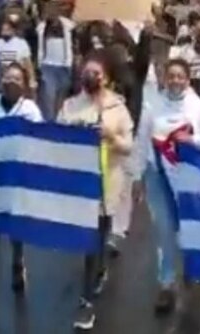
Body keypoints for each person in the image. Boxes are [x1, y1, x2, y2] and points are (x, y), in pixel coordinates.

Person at [132, 58, 200, 316]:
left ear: (187, 79)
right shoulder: (153, 107)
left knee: (188, 228)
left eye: (179, 76)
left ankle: (192, 268)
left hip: (188, 179)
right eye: (170, 76)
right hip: (158, 176)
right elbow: (141, 142)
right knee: (164, 230)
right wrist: (137, 177)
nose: (174, 80)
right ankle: (166, 283)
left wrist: (192, 139)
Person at [57, 53, 135, 331]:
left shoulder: (118, 108)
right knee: (86, 241)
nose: (91, 78)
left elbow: (129, 146)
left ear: (107, 78)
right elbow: (57, 139)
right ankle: (91, 282)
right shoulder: (70, 106)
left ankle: (87, 297)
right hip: (79, 187)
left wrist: (111, 137)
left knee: (97, 240)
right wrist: (73, 130)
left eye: (97, 74)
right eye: (86, 73)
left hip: (107, 185)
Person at [0, 63, 41, 334]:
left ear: (24, 84)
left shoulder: (30, 110)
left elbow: (39, 139)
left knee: (15, 226)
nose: (11, 81)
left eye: (17, 78)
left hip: (17, 177)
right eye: (7, 77)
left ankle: (17, 260)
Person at [36, 0, 77, 119]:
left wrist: (70, 64)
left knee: (61, 99)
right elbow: (39, 47)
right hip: (48, 66)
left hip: (64, 67)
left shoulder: (68, 25)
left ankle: (59, 122)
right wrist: (39, 64)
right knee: (48, 99)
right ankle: (48, 123)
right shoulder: (42, 27)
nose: (50, 13)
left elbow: (72, 46)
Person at [0, 17, 36, 88]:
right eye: (3, 30)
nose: (5, 32)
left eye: (7, 29)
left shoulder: (21, 43)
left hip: (19, 79)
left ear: (13, 30)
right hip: (3, 79)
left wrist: (32, 79)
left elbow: (28, 63)